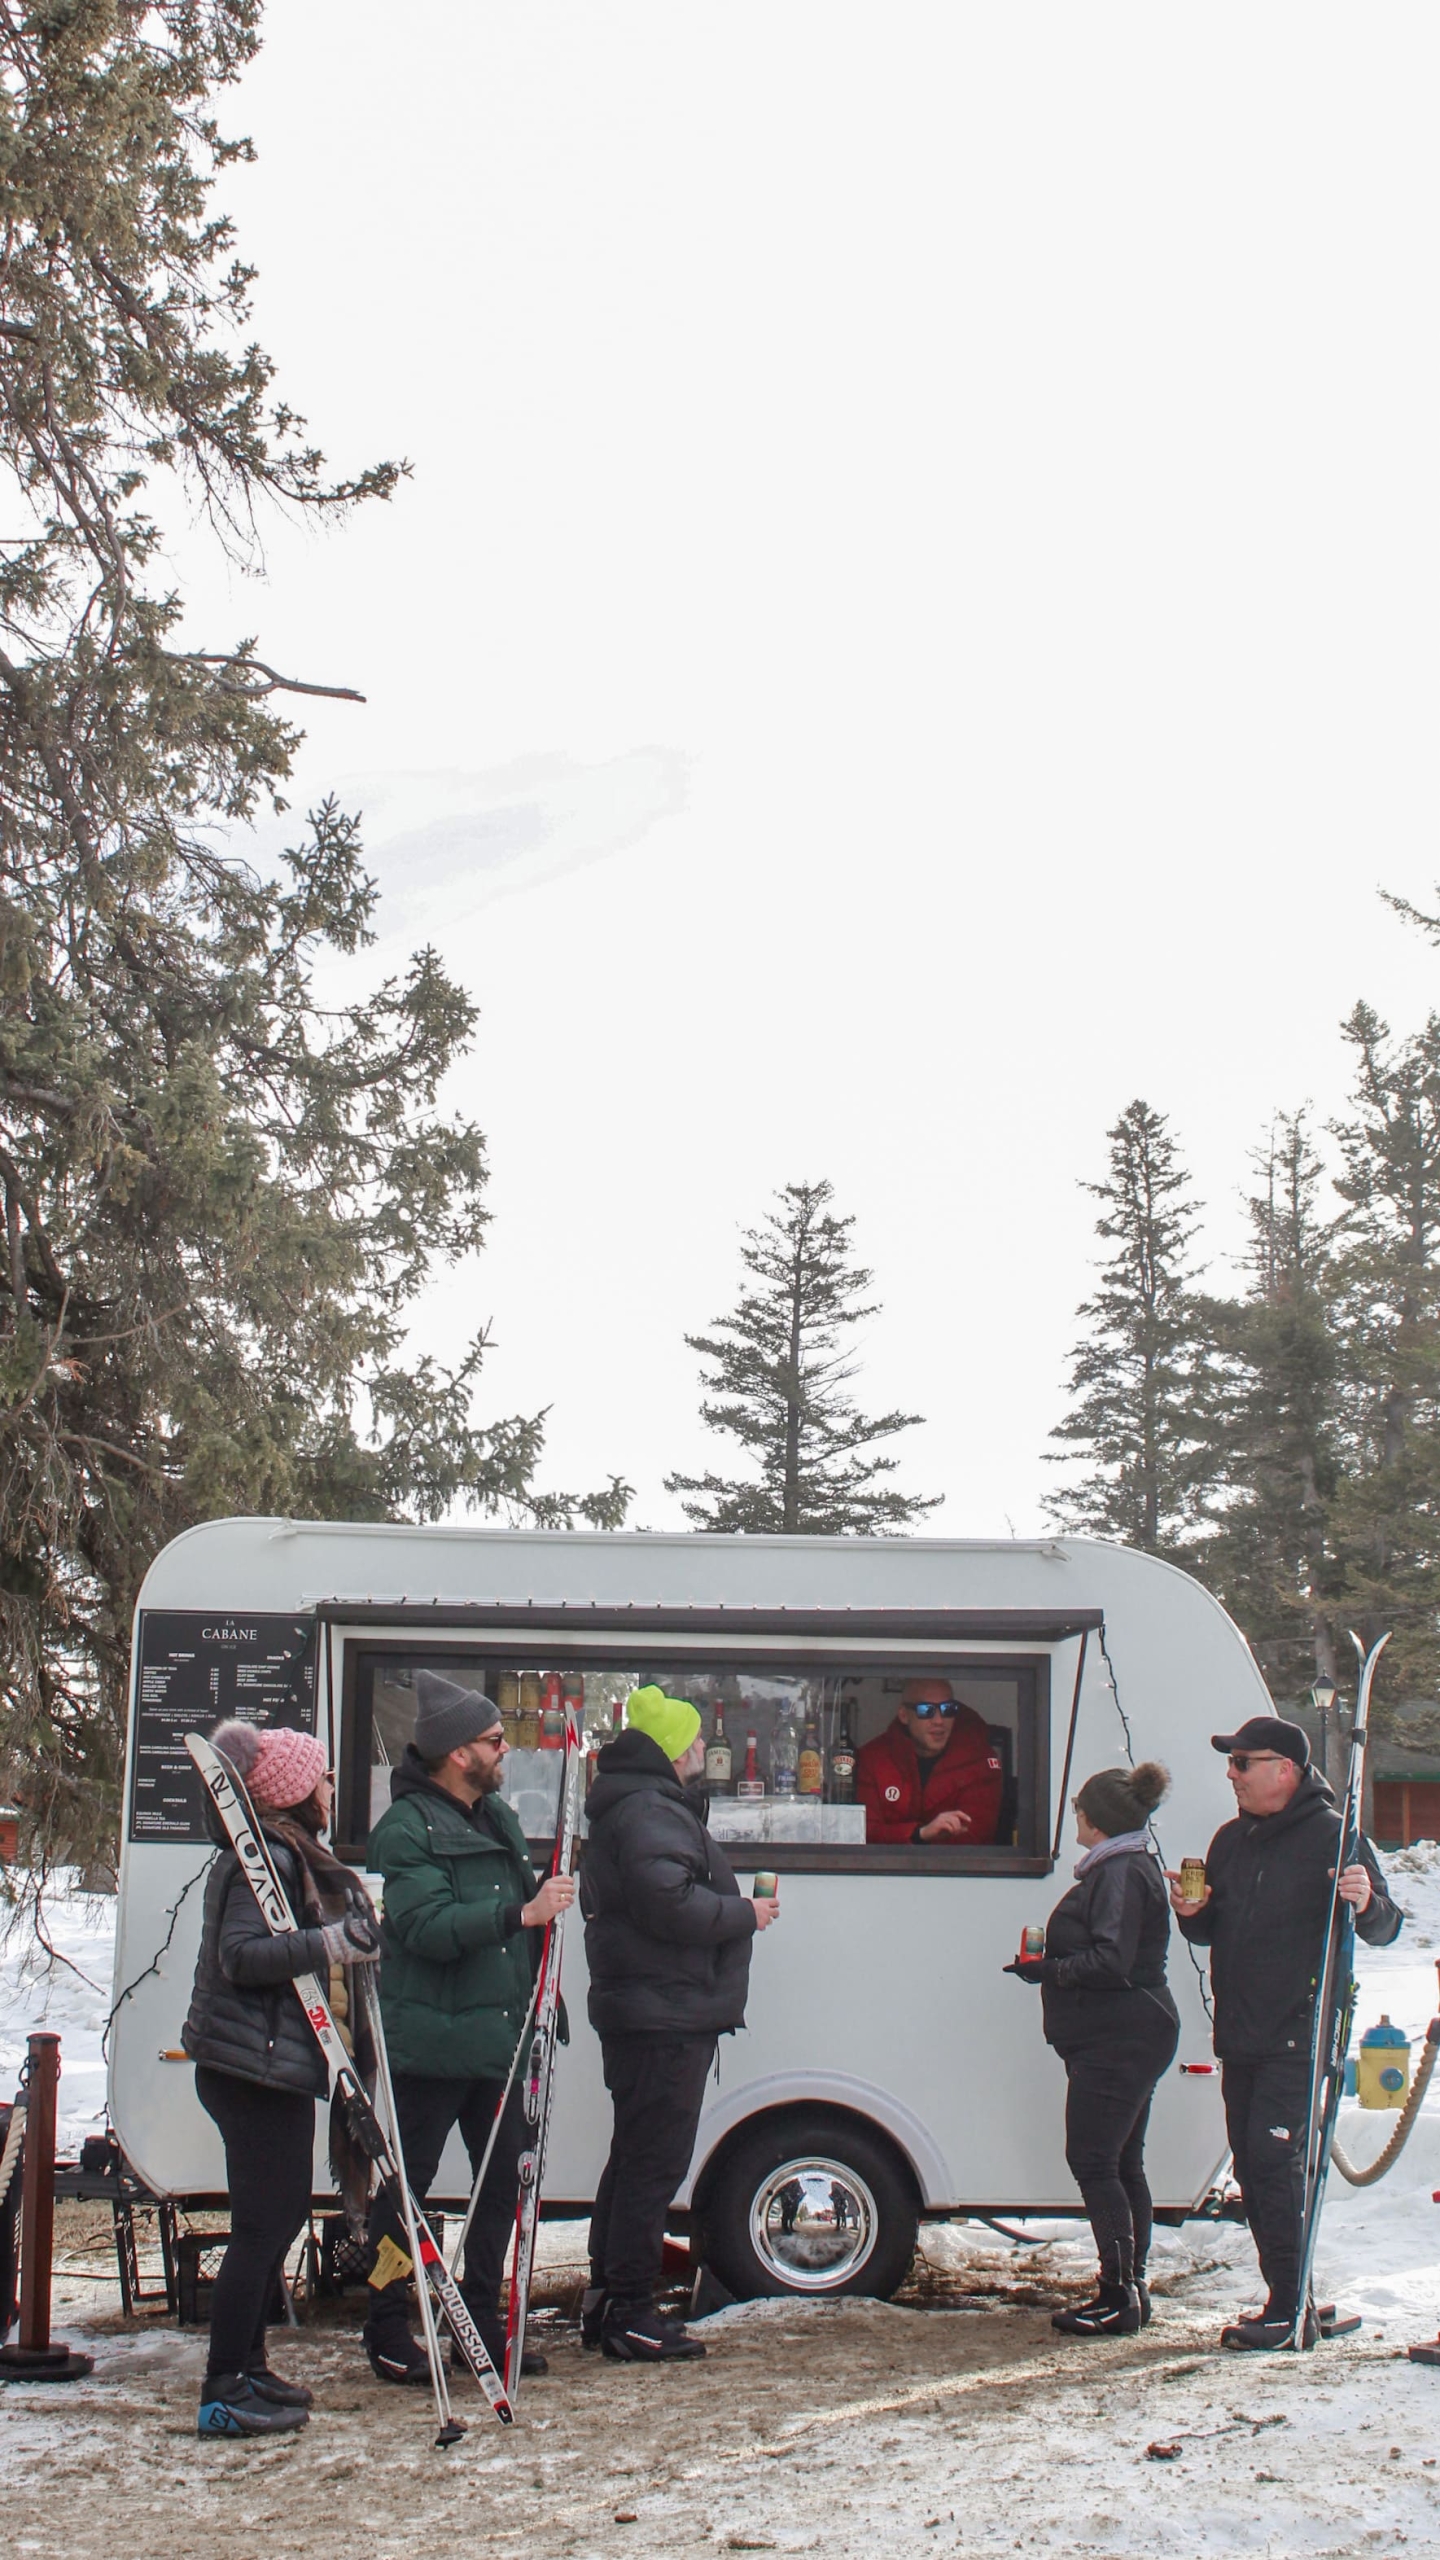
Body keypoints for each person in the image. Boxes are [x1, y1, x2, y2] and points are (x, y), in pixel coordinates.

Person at [361, 1671, 575, 2385]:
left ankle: (477, 2325)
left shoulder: (497, 1818)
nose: (504, 1748)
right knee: (408, 2192)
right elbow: (420, 1926)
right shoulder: (406, 1828)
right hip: (429, 2045)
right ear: (457, 1752)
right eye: (492, 1739)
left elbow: (522, 1910)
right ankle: (390, 2326)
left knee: (500, 2189)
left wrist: (544, 1963)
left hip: (500, 2041)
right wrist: (520, 1915)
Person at [1169, 1713, 1402, 2352]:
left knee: (1274, 2163)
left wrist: (1364, 1901)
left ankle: (1286, 2307)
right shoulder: (1229, 1840)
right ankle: (1293, 2298)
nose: (1231, 1773)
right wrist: (1193, 1913)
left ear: (1285, 1771)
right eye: (1231, 1761)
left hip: (1299, 2034)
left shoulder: (1335, 1837)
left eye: (1243, 1762)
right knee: (1253, 2164)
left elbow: (1387, 1927)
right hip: (1240, 2032)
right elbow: (1210, 1929)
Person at [182, 1719, 380, 2439]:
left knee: (276, 2220)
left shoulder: (290, 1857)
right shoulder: (259, 1858)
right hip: (250, 2068)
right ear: (296, 1790)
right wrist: (331, 1942)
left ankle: (250, 2366)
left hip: (271, 2065)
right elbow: (243, 1955)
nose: (331, 1788)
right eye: (323, 1778)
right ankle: (224, 2386)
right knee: (263, 2227)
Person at [581, 1684, 780, 2361]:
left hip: (649, 2008)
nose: (702, 1750)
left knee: (634, 2159)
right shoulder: (649, 1810)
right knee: (652, 2167)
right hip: (663, 2011)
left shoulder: (640, 1806)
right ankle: (631, 2311)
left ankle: (608, 2298)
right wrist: (743, 1915)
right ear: (670, 1751)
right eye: (692, 1740)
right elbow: (668, 1905)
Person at [1005, 1761, 1177, 2338]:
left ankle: (1119, 2293)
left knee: (1095, 2160)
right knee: (1122, 2161)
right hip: (1127, 2031)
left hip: (1120, 2034)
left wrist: (1047, 1970)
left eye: (1078, 1807)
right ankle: (1130, 2287)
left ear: (1097, 1820)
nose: (1074, 1815)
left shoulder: (1120, 1872)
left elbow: (1111, 1960)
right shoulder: (1121, 1867)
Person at [855, 1678, 1005, 1846]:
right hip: (883, 1870)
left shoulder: (980, 1761)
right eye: (926, 1710)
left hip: (955, 1871)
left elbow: (976, 1838)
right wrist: (920, 1834)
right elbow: (863, 1832)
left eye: (948, 1709)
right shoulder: (873, 1758)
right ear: (904, 1715)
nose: (939, 1721)